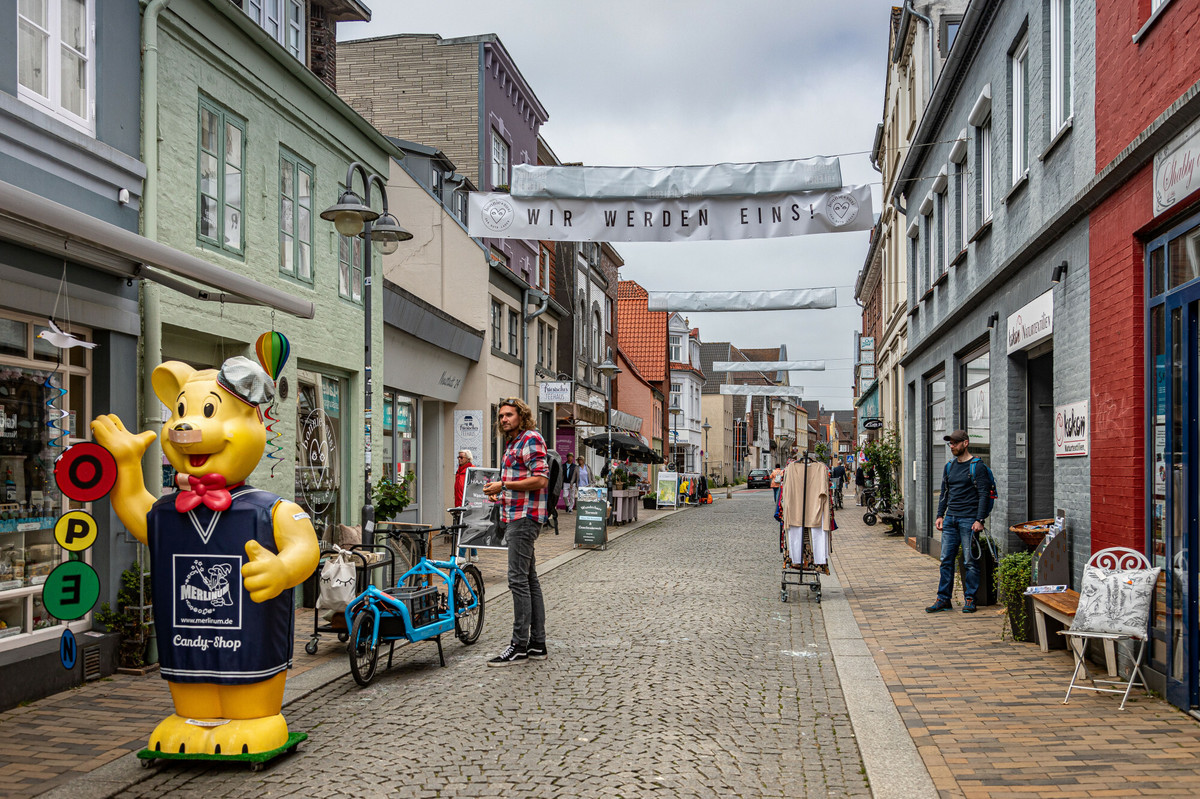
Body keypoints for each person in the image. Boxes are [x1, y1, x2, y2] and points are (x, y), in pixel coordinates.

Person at [482, 398, 549, 666]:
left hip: (525, 517)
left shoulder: (530, 439)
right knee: (529, 580)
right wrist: (499, 494)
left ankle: (519, 645)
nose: (503, 420)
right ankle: (538, 643)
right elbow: (517, 480)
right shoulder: (513, 443)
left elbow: (541, 479)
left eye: (509, 415)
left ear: (521, 416)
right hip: (516, 514)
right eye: (500, 416)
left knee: (517, 580)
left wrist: (504, 486)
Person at [927, 429, 989, 614]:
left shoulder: (977, 466)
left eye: (955, 443)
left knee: (970, 561)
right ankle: (943, 599)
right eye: (950, 443)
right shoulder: (949, 467)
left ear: (965, 443)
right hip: (950, 519)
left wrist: (979, 519)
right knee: (946, 560)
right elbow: (944, 494)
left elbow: (984, 494)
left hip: (969, 520)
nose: (952, 446)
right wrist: (940, 515)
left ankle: (970, 599)